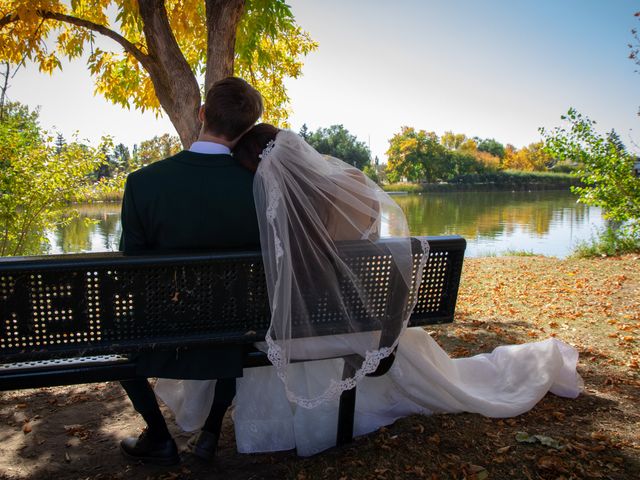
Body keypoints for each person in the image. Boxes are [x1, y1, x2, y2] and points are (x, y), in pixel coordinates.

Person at [156, 125, 583, 457]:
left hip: (285, 335)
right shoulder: (353, 187)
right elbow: (368, 251)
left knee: (250, 329)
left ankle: (235, 427)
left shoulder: (261, 211)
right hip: (356, 326)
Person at [118, 77, 263, 465]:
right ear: (246, 130)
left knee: (118, 346)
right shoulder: (258, 188)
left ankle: (160, 437)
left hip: (162, 324)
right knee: (236, 314)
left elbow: (130, 270)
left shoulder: (143, 183)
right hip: (233, 324)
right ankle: (211, 433)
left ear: (202, 114)